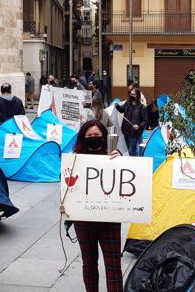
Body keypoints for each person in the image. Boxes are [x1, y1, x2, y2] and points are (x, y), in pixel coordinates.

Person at [63, 120, 123, 292]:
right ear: (83, 137)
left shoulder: (114, 156)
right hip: (84, 221)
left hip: (109, 220)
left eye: (96, 135)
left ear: (104, 137)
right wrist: (65, 205)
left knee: (113, 266)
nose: (93, 138)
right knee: (89, 264)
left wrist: (120, 160)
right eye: (89, 136)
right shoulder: (75, 159)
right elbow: (67, 188)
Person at [115, 88, 148, 156]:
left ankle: (134, 163)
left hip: (134, 133)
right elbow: (121, 110)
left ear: (137, 96)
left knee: (132, 151)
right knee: (129, 149)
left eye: (133, 94)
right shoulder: (127, 103)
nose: (131, 95)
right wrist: (117, 106)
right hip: (126, 131)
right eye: (130, 94)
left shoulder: (142, 107)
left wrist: (139, 126)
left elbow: (145, 121)